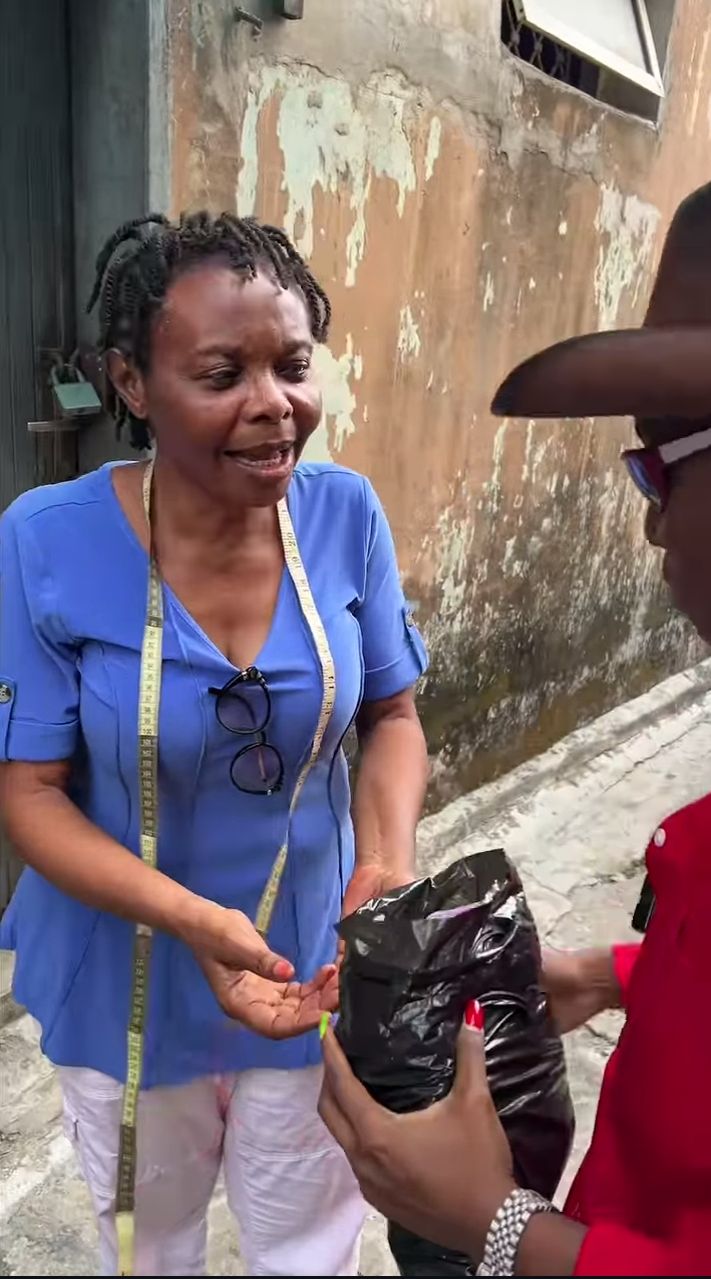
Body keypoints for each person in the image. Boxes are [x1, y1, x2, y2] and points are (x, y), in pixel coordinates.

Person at [0, 212, 429, 1277]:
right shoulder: (47, 542)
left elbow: (393, 718)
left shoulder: (345, 517)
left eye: (292, 365)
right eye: (220, 372)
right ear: (132, 384)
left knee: (308, 1245)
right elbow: (31, 792)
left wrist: (384, 870)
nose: (273, 406)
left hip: (308, 968)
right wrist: (192, 920)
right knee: (151, 1248)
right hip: (127, 966)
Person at [318, 180, 711, 1276]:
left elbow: (394, 711)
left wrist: (499, 1230)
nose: (649, 517)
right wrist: (626, 972)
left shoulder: (342, 513)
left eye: (659, 463)